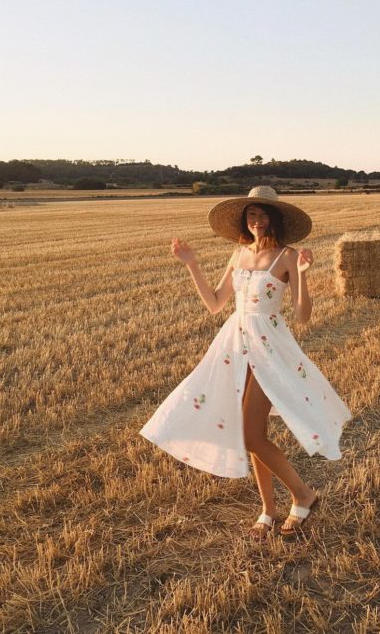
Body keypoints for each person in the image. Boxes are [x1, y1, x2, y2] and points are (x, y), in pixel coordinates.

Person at [139, 185, 352, 539]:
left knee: (250, 434)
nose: (257, 220)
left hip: (269, 348)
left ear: (276, 219)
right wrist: (191, 265)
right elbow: (215, 303)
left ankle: (304, 495)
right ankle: (268, 510)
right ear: (245, 218)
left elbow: (303, 315)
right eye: (252, 214)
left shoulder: (287, 256)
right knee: (253, 433)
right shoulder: (238, 254)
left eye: (264, 214)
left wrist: (301, 273)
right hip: (236, 344)